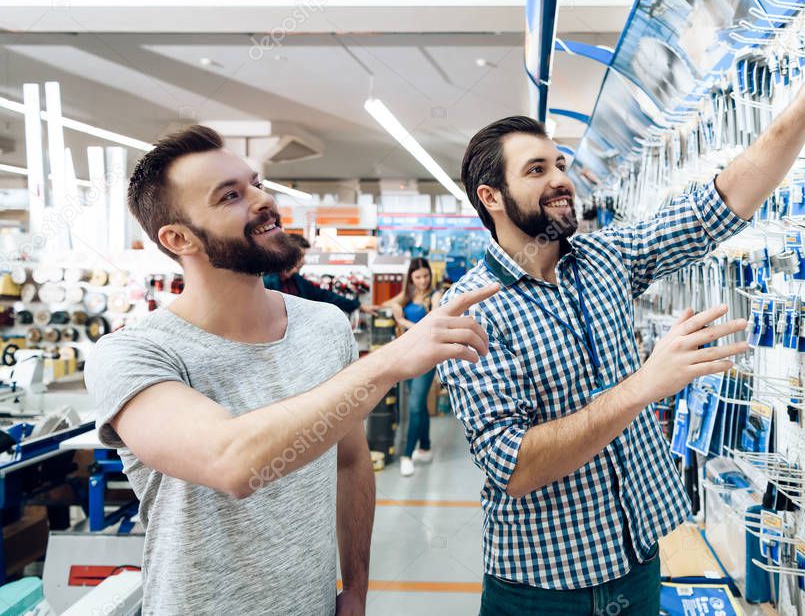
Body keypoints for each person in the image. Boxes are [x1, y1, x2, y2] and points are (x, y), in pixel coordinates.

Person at [437, 0, 805, 615]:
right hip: (542, 590)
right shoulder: (468, 310)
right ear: (491, 198)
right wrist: (646, 384)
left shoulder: (604, 257)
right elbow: (513, 468)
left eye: (560, 163)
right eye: (537, 171)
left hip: (636, 564)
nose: (561, 180)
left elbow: (724, 199)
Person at [84, 125, 498, 615]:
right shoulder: (132, 354)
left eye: (255, 183)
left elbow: (350, 460)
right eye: (230, 196)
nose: (262, 200)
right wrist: (387, 363)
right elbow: (232, 462)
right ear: (178, 239)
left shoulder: (324, 326)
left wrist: (357, 588)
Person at [387, 257, 443, 477]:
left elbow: (433, 326)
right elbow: (389, 304)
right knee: (418, 406)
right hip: (407, 357)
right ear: (410, 277)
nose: (422, 281)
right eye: (418, 277)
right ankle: (426, 447)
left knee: (414, 406)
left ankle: (407, 455)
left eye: (426, 276)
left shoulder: (435, 296)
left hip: (426, 357)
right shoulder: (408, 295)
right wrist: (392, 307)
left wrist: (402, 322)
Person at [263, 233, 373, 314]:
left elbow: (325, 296)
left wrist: (358, 305)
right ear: (287, 254)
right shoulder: (265, 282)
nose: (304, 261)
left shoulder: (297, 281)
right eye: (301, 256)